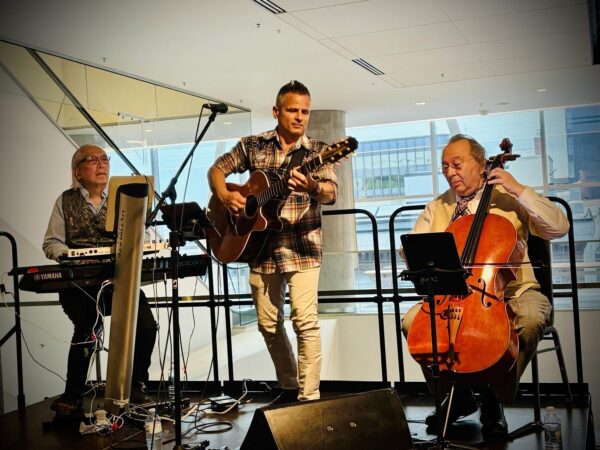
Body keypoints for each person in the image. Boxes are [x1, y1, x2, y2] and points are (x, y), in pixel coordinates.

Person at [401, 134, 569, 436]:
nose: (450, 172)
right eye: (445, 167)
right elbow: (411, 248)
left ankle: (495, 397)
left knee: (531, 318)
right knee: (413, 322)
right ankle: (458, 396)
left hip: (513, 293)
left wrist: (518, 189)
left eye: (457, 164)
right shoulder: (438, 206)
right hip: (452, 297)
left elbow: (558, 227)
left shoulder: (509, 199)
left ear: (481, 165)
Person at [207, 81, 338, 402]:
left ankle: (309, 398)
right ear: (277, 111)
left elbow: (331, 193)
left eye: (305, 111)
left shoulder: (319, 151)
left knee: (305, 322)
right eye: (293, 110)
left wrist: (311, 186)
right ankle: (289, 386)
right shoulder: (253, 145)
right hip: (260, 250)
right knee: (267, 324)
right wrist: (225, 196)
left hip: (303, 248)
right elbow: (217, 170)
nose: (300, 117)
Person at [43, 144, 157, 415]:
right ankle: (73, 396)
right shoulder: (64, 201)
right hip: (80, 284)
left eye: (104, 159)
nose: (101, 164)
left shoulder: (122, 197)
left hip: (120, 279)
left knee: (146, 327)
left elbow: (143, 234)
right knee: (87, 331)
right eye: (92, 160)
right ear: (77, 172)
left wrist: (139, 243)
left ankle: (136, 385)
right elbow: (51, 242)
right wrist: (68, 254)